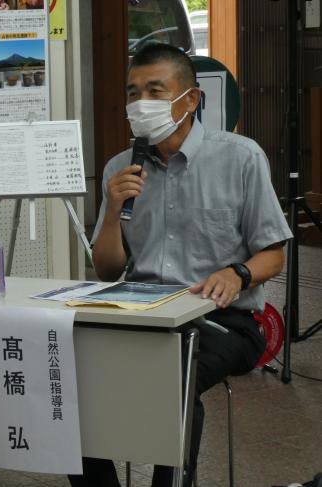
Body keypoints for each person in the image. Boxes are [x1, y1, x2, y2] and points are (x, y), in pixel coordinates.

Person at [71, 43, 292, 487]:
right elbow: (109, 271)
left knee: (172, 380)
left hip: (223, 319)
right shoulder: (121, 167)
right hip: (144, 312)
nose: (140, 104)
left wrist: (238, 273)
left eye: (154, 91)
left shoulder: (241, 157)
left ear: (190, 99)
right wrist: (112, 210)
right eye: (133, 93)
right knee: (66, 382)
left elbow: (274, 253)